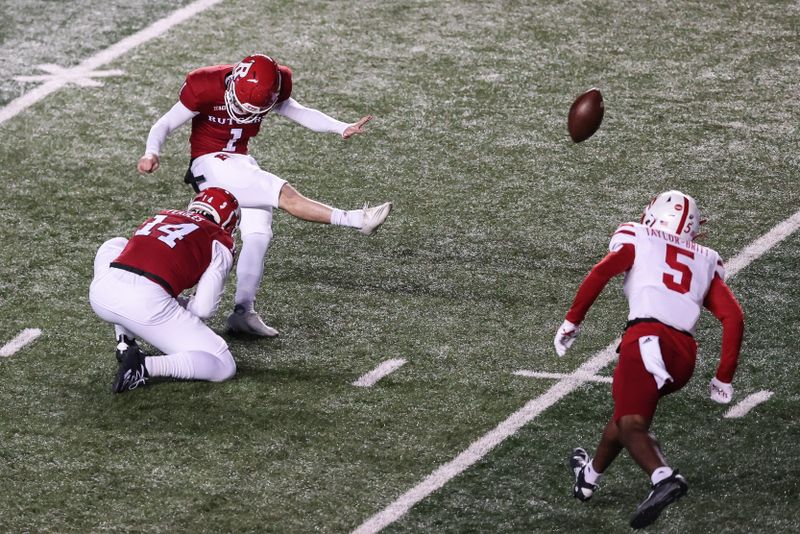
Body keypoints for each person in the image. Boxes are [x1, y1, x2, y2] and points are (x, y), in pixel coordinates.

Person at [137, 53, 392, 337]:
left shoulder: (277, 83)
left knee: (259, 234)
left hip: (239, 160)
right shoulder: (205, 84)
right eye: (242, 105)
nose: (246, 113)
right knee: (282, 193)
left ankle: (243, 312)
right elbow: (165, 123)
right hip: (209, 162)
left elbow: (298, 110)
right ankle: (356, 219)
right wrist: (152, 152)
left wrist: (339, 126)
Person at [553, 190, 744, 529]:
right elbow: (733, 317)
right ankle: (589, 477)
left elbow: (601, 273)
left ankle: (664, 477)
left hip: (647, 341)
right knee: (624, 417)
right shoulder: (706, 258)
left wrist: (573, 320)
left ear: (654, 215)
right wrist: (723, 376)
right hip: (683, 357)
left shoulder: (638, 235)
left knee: (632, 425)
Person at [90, 187, 243, 393]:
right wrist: (180, 303)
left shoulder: (164, 215)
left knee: (115, 244)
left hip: (102, 291)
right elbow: (203, 310)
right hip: (146, 304)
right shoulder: (220, 241)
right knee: (224, 365)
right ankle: (144, 366)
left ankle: (125, 341)